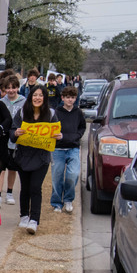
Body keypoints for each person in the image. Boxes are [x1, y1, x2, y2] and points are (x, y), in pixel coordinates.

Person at [10, 84, 62, 234]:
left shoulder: (51, 114)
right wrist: (16, 133)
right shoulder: (21, 112)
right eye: (35, 95)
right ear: (30, 96)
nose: (37, 98)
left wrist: (59, 137)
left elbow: (57, 135)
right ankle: (24, 215)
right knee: (25, 188)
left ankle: (34, 220)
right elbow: (12, 132)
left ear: (45, 98)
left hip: (41, 157)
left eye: (40, 95)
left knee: (35, 187)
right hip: (23, 156)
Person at [51, 85, 86, 214]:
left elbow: (82, 128)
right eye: (67, 97)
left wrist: (75, 137)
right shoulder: (57, 112)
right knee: (57, 176)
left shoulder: (78, 113)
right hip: (58, 149)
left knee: (73, 174)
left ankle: (68, 199)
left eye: (72, 98)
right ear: (62, 98)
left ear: (75, 99)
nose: (70, 100)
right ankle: (56, 203)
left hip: (73, 148)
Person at [0, 73, 26, 204]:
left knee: (12, 168)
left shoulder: (24, 101)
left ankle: (9, 192)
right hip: (4, 139)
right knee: (1, 167)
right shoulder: (1, 102)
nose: (10, 90)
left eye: (13, 87)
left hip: (17, 139)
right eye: (8, 88)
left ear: (17, 88)